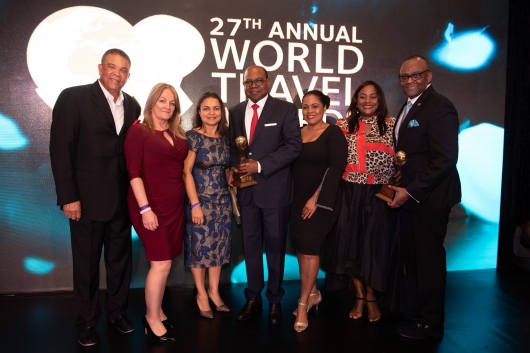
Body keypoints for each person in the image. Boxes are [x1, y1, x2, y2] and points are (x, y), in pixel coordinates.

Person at [49, 48, 141, 346]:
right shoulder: (73, 97)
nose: (117, 73)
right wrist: (68, 197)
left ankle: (116, 313)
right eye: (112, 67)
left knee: (120, 262)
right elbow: (60, 150)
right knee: (86, 264)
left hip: (120, 200)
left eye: (123, 69)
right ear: (101, 68)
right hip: (85, 201)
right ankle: (87, 321)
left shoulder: (134, 105)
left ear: (129, 75)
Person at [389, 55, 461, 339]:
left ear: (428, 76)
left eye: (415, 75)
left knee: (428, 261)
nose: (410, 81)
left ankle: (431, 322)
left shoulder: (440, 107)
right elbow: (414, 156)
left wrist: (411, 190)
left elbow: (445, 160)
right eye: (405, 77)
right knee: (414, 259)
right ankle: (415, 312)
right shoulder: (409, 106)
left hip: (430, 200)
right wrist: (399, 179)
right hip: (410, 198)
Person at [228, 65, 302, 325]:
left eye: (259, 81)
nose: (254, 86)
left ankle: (274, 299)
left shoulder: (285, 109)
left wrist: (259, 165)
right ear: (243, 84)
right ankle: (253, 297)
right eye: (249, 82)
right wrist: (231, 168)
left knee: (275, 248)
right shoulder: (235, 112)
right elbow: (232, 148)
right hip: (247, 194)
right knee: (250, 248)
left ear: (268, 82)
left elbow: (294, 146)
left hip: (275, 192)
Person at [322, 81, 397, 324]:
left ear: (379, 99)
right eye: (362, 96)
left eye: (372, 97)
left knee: (373, 247)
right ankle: (359, 296)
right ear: (355, 100)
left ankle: (373, 297)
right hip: (349, 191)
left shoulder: (392, 125)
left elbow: (403, 158)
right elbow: (332, 161)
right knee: (350, 246)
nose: (367, 101)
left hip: (379, 193)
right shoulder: (343, 126)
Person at [124, 83, 188, 343]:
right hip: (150, 205)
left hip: (174, 206)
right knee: (160, 263)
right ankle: (150, 320)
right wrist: (145, 209)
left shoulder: (176, 132)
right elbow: (133, 173)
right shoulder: (138, 131)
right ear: (152, 102)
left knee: (165, 263)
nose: (167, 106)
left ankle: (157, 310)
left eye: (172, 103)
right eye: (163, 101)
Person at [290, 90, 347, 332]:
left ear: (325, 107)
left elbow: (336, 168)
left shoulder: (333, 133)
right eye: (305, 106)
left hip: (320, 203)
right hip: (296, 201)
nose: (310, 110)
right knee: (302, 250)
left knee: (310, 250)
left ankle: (303, 304)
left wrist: (315, 200)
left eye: (315, 106)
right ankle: (313, 293)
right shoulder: (297, 133)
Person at [183, 92, 232, 319]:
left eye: (216, 108)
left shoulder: (226, 138)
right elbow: (186, 172)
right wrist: (195, 205)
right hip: (200, 201)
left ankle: (214, 291)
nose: (211, 113)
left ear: (221, 112)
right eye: (206, 108)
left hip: (222, 201)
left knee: (219, 248)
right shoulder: (192, 137)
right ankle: (201, 293)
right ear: (199, 112)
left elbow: (227, 168)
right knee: (200, 249)